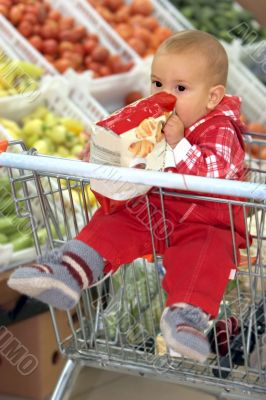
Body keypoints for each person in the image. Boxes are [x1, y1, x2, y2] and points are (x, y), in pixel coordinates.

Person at [8, 30, 248, 363]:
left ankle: (185, 320)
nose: (165, 95)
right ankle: (71, 270)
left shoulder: (221, 127)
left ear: (212, 97)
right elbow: (133, 154)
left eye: (180, 88)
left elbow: (215, 172)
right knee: (115, 220)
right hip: (157, 206)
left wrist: (179, 144)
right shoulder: (155, 118)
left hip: (207, 219)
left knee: (207, 255)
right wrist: (109, 149)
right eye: (157, 83)